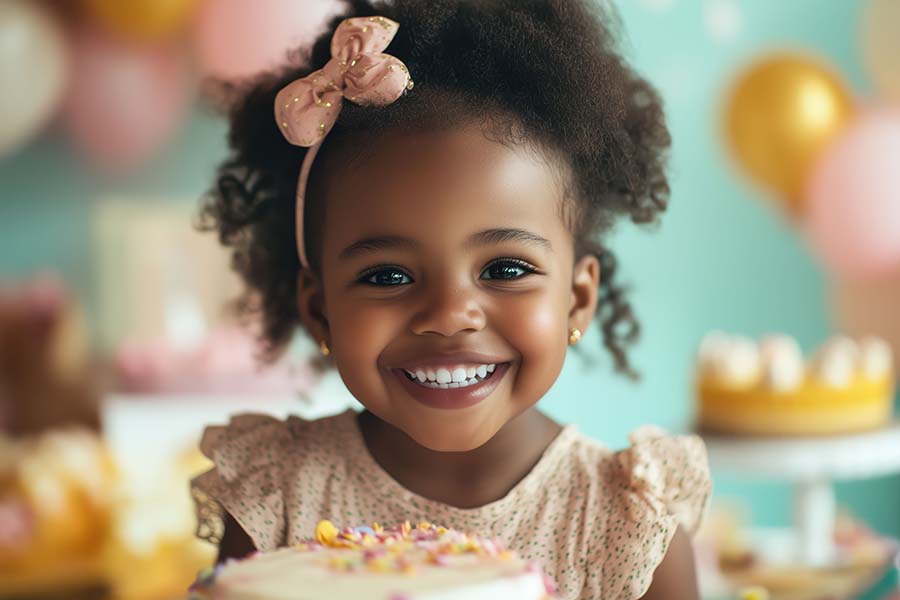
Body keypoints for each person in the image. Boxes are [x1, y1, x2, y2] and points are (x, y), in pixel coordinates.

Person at [191, 1, 712, 597]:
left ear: (576, 298)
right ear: (319, 309)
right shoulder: (277, 500)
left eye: (505, 268)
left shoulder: (628, 527)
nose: (448, 315)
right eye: (387, 276)